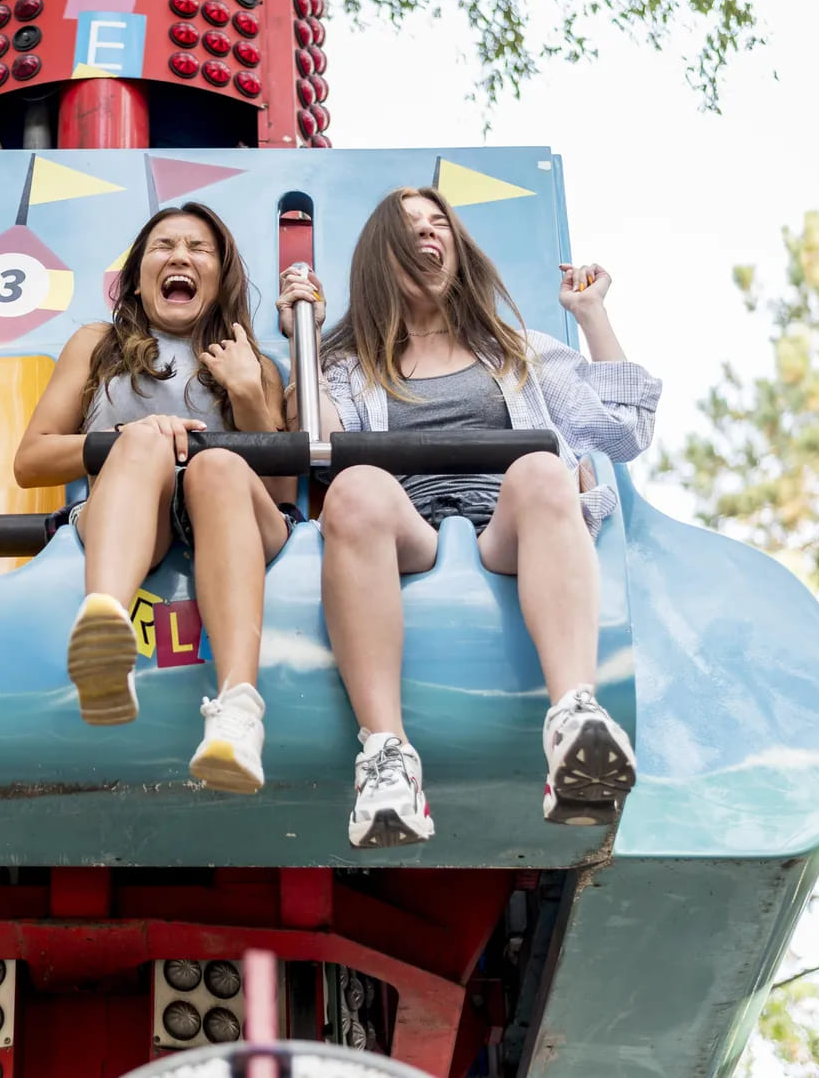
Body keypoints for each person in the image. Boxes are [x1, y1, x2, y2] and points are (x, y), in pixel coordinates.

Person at [276, 186, 661, 847]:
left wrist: (592, 314)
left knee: (543, 467)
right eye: (410, 226)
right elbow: (318, 442)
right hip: (412, 530)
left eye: (439, 224)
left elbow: (624, 432)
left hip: (505, 527)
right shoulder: (349, 364)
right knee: (355, 485)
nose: (429, 233)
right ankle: (386, 755)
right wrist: (304, 342)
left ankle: (574, 719)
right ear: (383, 256)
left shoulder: (520, 349)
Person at [15, 203, 298, 793]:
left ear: (220, 278)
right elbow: (31, 459)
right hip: (133, 511)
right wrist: (121, 439)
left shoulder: (255, 361)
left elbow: (280, 492)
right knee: (143, 444)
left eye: (199, 248)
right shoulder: (97, 344)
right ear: (138, 282)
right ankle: (105, 634)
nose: (180, 257)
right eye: (163, 246)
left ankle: (239, 711)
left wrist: (246, 391)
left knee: (217, 466)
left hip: (230, 513)